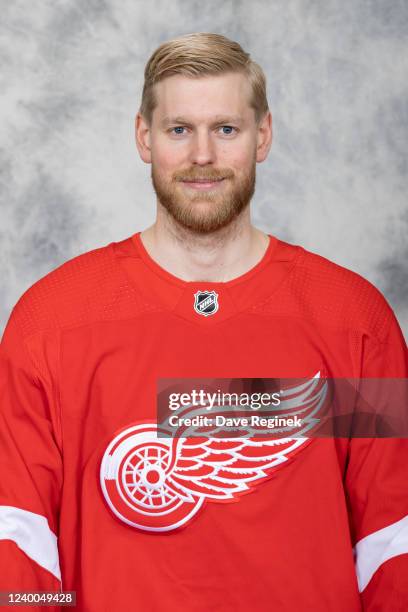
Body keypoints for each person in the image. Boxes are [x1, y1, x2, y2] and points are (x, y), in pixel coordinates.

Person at [0, 31, 407, 612]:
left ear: (262, 136)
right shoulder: (51, 321)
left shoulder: (353, 320)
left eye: (226, 128)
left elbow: (392, 539)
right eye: (178, 129)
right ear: (144, 137)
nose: (202, 157)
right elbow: (18, 543)